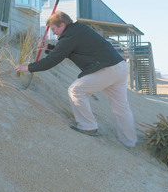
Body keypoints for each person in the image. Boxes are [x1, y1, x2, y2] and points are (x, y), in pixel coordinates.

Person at [14, 12, 138, 147]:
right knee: (121, 107)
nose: (54, 33)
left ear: (62, 25)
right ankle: (129, 142)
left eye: (54, 29)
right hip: (118, 66)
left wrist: (27, 68)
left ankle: (88, 126)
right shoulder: (77, 30)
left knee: (76, 91)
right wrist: (48, 47)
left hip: (107, 69)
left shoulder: (70, 35)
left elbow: (52, 60)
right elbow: (66, 50)